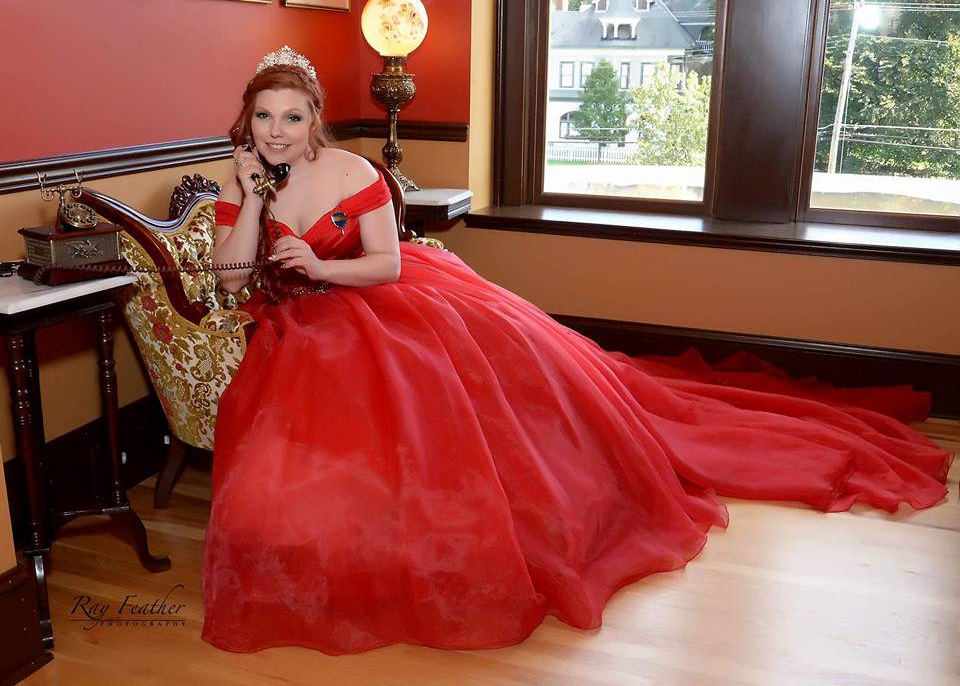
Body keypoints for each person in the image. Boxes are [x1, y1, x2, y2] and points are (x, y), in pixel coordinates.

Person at [202, 46, 952, 655]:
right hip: (293, 329)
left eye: (292, 117)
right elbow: (233, 284)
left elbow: (388, 265)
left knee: (454, 403)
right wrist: (257, 199)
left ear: (315, 121)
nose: (276, 131)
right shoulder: (244, 179)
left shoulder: (353, 172)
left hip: (370, 300)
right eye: (264, 116)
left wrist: (323, 267)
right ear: (249, 119)